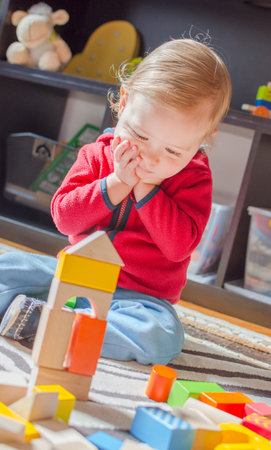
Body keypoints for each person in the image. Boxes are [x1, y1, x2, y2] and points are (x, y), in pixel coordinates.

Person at [0, 38, 231, 365]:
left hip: (140, 300)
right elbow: (65, 219)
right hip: (72, 276)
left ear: (203, 141)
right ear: (123, 103)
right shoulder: (97, 155)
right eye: (140, 135)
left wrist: (147, 191)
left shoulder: (193, 179)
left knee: (161, 337)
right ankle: (48, 313)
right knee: (9, 268)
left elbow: (179, 247)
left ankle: (52, 326)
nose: (149, 158)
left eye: (172, 151)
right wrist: (117, 183)